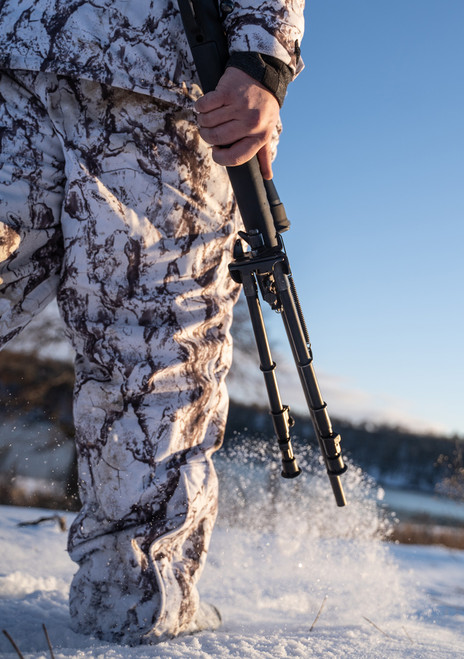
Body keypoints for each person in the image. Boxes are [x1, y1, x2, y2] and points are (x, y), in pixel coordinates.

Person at [0, 0, 304, 645]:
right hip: (152, 73)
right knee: (155, 348)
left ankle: (133, 600)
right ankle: (133, 604)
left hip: (23, 54)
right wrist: (260, 59)